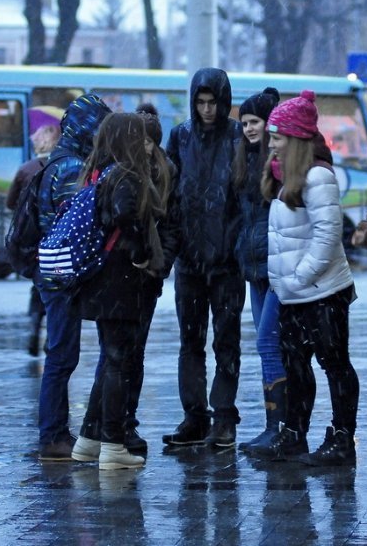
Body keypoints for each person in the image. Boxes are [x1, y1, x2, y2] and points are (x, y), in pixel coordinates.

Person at [252, 90, 360, 466]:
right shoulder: (285, 177)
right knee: (296, 366)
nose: (271, 144)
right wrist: (287, 283)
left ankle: (342, 440)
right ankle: (294, 434)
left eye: (277, 137)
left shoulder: (318, 176)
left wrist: (300, 276)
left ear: (295, 138)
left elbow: (327, 235)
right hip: (294, 292)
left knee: (334, 364)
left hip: (323, 291)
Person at [71, 105, 178, 462]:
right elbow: (126, 216)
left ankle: (89, 439)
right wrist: (143, 253)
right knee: (119, 361)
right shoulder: (126, 175)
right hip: (121, 280)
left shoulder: (99, 172)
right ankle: (113, 446)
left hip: (102, 279)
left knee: (111, 359)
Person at [162, 68, 246, 450]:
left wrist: (234, 242)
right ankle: (194, 416)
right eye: (201, 102)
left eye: (213, 102)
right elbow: (169, 192)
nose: (207, 109)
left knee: (226, 341)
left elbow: (243, 195)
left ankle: (223, 416)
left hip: (226, 260)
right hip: (190, 258)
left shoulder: (237, 136)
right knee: (190, 341)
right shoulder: (180, 136)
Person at [35, 92, 113, 461]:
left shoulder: (59, 159)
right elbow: (76, 225)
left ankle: (55, 432)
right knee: (62, 357)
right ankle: (53, 436)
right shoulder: (70, 168)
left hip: (53, 273)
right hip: (62, 276)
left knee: (60, 354)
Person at [231, 87, 285, 454]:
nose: (249, 128)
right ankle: (273, 425)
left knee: (269, 342)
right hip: (253, 265)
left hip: (277, 265)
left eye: (255, 122)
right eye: (245, 123)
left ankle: (281, 426)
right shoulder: (244, 160)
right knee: (266, 346)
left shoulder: (277, 164)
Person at [6, 105, 63, 357]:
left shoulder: (26, 169)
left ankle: (33, 326)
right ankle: (53, 336)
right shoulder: (67, 166)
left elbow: (11, 203)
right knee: (58, 286)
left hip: (33, 240)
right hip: (59, 237)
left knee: (39, 284)